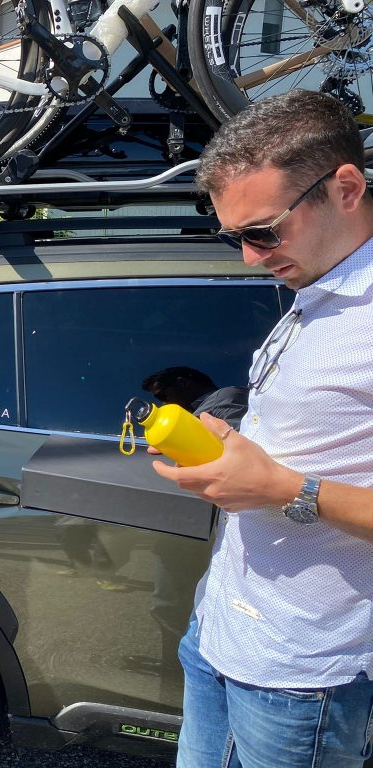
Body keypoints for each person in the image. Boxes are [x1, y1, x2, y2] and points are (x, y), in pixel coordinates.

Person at [150, 91, 373, 767]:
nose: (248, 258)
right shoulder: (318, 284)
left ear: (345, 188)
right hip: (222, 631)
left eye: (263, 231)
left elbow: (291, 481)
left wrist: (281, 487)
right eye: (232, 237)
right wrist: (233, 444)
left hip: (304, 676)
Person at [141, 366, 248, 426]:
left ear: (182, 383)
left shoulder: (225, 397)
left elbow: (246, 445)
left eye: (162, 395)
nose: (163, 403)